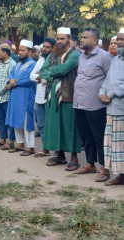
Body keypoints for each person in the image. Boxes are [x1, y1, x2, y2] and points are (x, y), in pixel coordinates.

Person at [73, 28, 112, 180]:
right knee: (86, 135)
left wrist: (105, 95)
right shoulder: (82, 56)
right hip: (79, 102)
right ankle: (90, 163)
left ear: (94, 40)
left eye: (85, 37)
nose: (81, 40)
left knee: (99, 136)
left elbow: (110, 78)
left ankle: (104, 167)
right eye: (81, 37)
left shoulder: (105, 57)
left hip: (96, 104)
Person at [40, 27, 81, 170]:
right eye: (57, 38)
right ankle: (60, 155)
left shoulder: (74, 54)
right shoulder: (52, 55)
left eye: (62, 39)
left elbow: (65, 69)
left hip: (68, 95)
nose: (59, 41)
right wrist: (52, 72)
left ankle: (74, 158)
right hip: (52, 96)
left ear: (69, 39)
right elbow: (42, 71)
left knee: (69, 127)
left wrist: (52, 71)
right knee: (55, 126)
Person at [100, 28, 124, 186]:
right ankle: (120, 175)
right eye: (119, 39)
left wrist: (111, 94)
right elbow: (107, 80)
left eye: (123, 40)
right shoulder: (116, 60)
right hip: (112, 109)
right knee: (115, 144)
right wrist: (101, 93)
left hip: (121, 109)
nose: (120, 42)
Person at [6, 40, 36, 156]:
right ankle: (20, 143)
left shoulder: (33, 64)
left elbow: (29, 79)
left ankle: (30, 146)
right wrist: (11, 80)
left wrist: (15, 83)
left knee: (26, 120)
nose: (20, 53)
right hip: (15, 95)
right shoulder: (18, 63)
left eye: (23, 50)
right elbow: (11, 74)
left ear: (29, 51)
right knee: (15, 118)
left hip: (26, 96)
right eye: (19, 50)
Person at [30, 37, 56, 158]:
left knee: (51, 125)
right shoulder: (40, 61)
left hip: (51, 97)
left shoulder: (55, 60)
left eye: (47, 47)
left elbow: (52, 77)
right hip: (39, 97)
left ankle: (55, 151)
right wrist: (40, 77)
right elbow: (31, 75)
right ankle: (45, 149)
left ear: (52, 49)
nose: (44, 49)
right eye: (43, 47)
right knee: (41, 124)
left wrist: (42, 77)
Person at [0, 43, 16, 149]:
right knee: (0, 119)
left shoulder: (12, 64)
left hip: (6, 97)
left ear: (5, 53)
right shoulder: (0, 63)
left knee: (9, 121)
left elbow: (8, 82)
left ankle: (11, 141)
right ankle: (2, 140)